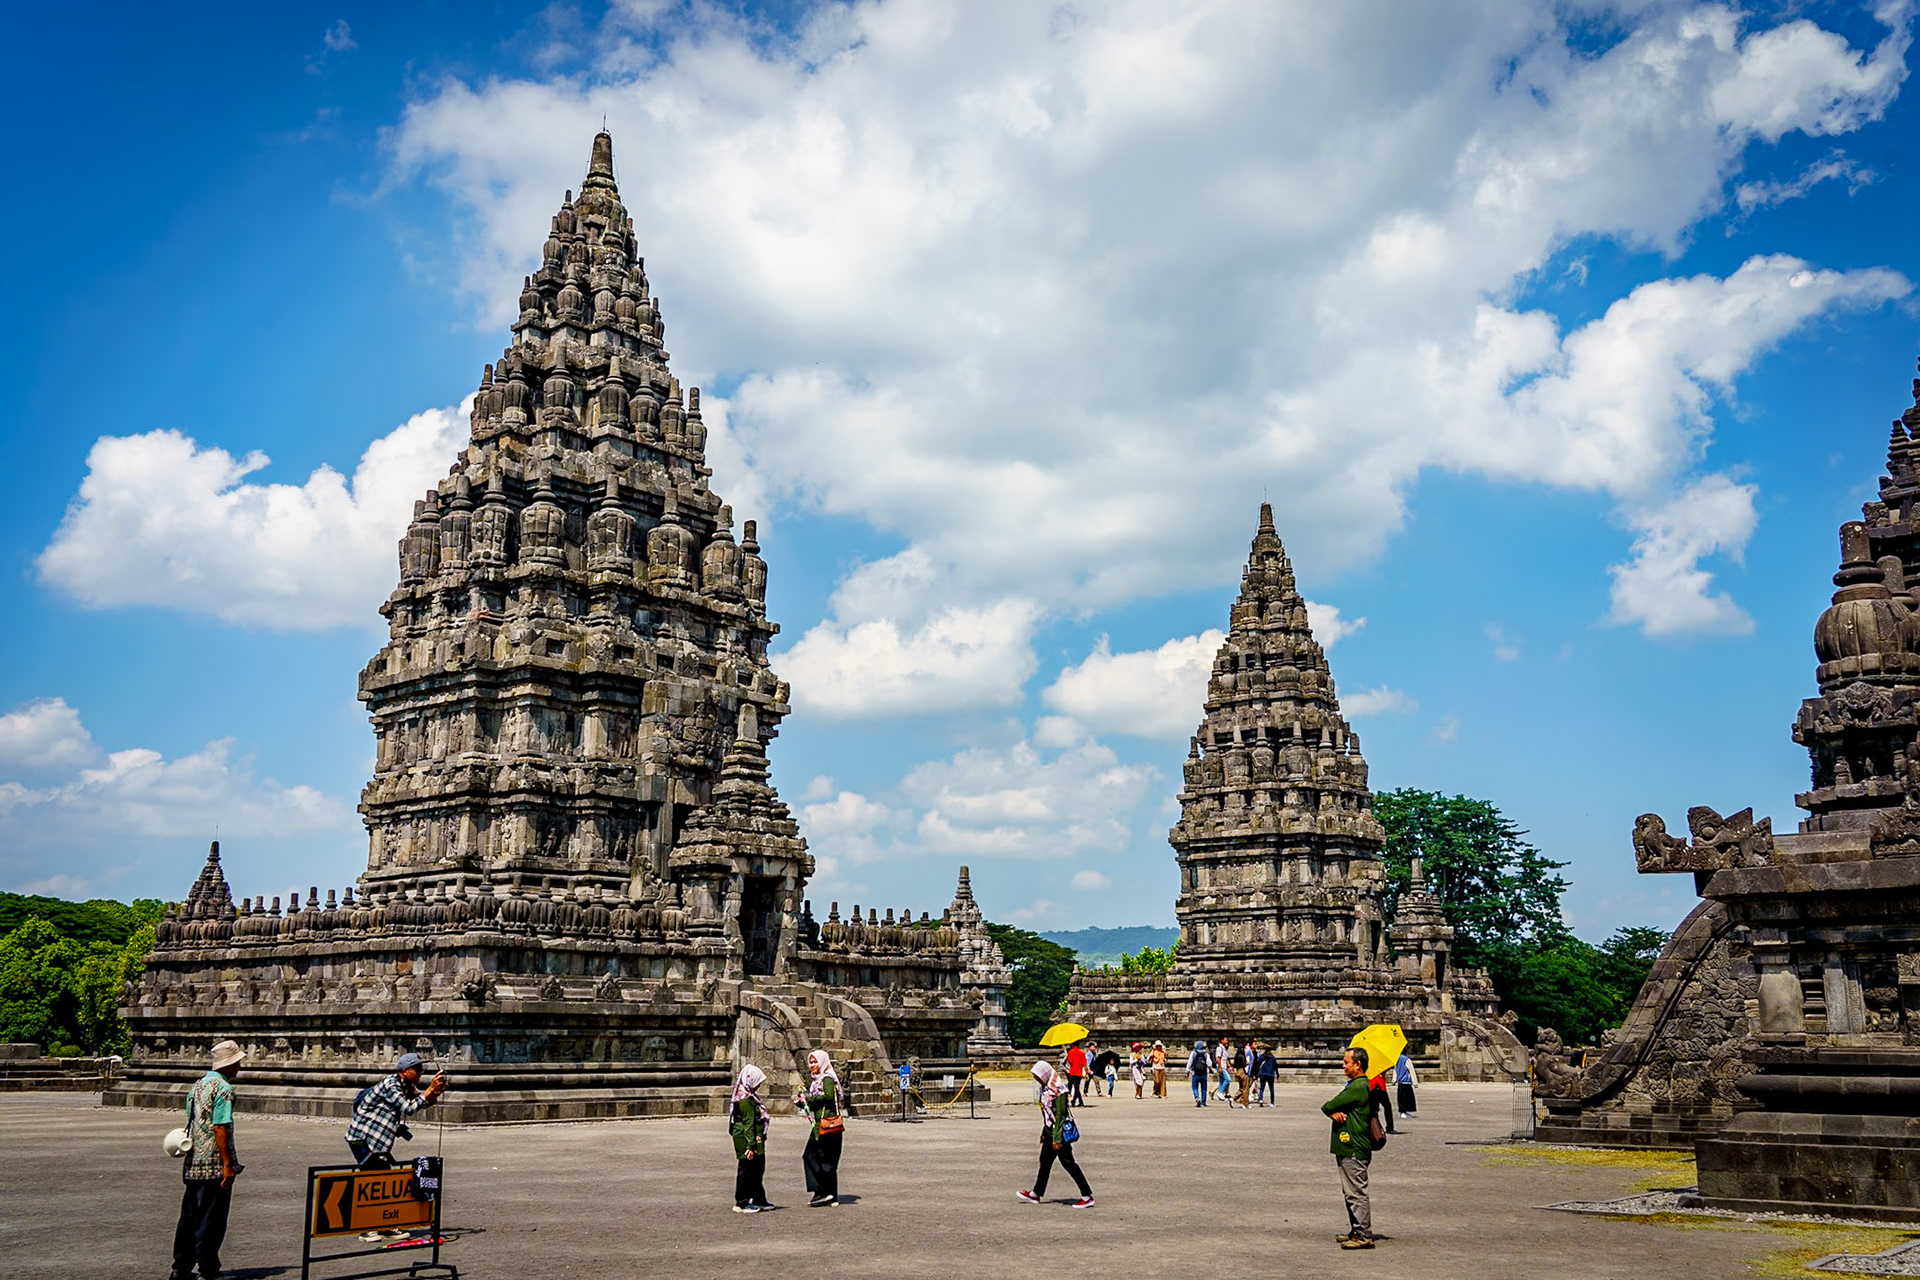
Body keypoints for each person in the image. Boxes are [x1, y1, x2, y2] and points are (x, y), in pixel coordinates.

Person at [170, 1039, 245, 1280]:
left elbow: (192, 1120)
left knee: (190, 1217)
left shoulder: (197, 1086)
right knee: (211, 1219)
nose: (239, 1068)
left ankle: (180, 1268)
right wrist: (227, 1165)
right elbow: (219, 1126)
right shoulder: (223, 1088)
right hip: (213, 1162)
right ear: (227, 1065)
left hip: (193, 1161)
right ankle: (208, 1269)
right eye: (236, 1063)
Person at [346, 1052, 447, 1169]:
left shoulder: (408, 1085)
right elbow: (409, 1108)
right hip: (363, 1139)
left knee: (377, 1176)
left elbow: (421, 1102)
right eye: (417, 1071)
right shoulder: (391, 1085)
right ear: (404, 1071)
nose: (420, 1074)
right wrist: (430, 1089)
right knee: (376, 1176)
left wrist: (435, 1092)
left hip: (376, 1140)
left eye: (421, 1071)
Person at [1016, 1062, 1094, 1208]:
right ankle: (1036, 1193)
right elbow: (1047, 1114)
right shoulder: (1046, 1089)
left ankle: (1087, 1195)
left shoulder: (1059, 1090)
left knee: (1068, 1163)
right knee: (1044, 1162)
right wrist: (1044, 1132)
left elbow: (1060, 1115)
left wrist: (1057, 1138)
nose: (1037, 1080)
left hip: (1059, 1134)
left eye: (1038, 1076)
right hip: (1050, 1131)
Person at [1323, 1046, 1377, 1249]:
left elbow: (1329, 1105)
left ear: (1358, 1065)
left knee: (1355, 1191)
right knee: (1350, 1191)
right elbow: (1334, 1108)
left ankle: (1363, 1234)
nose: (1343, 1065)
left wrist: (1332, 1110)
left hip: (1353, 1146)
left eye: (1347, 1062)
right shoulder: (1358, 1085)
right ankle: (1356, 1230)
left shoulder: (1357, 1087)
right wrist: (1334, 1112)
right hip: (1350, 1145)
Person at [795, 1049, 842, 1206]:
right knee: (815, 1157)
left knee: (821, 1158)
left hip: (826, 1124)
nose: (813, 1065)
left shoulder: (827, 1078)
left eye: (815, 1062)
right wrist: (803, 1101)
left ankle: (826, 1192)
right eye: (811, 1062)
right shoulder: (817, 1080)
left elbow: (829, 1097)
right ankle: (824, 1192)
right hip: (819, 1124)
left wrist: (810, 1099)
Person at [730, 1063, 775, 1212]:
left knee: (757, 1167)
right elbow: (748, 1123)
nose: (759, 1085)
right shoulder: (745, 1100)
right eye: (758, 1082)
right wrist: (750, 1146)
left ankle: (758, 1198)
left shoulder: (749, 1096)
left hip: (753, 1136)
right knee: (747, 1168)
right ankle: (741, 1202)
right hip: (747, 1137)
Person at [1185, 1039, 1210, 1106]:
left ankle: (1197, 1098)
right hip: (1203, 1073)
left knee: (1194, 1087)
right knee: (1204, 1088)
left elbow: (1190, 1063)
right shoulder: (1206, 1054)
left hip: (1195, 1073)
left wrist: (1187, 1071)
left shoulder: (1193, 1054)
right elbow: (1209, 1064)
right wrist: (1209, 1069)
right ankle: (1203, 1102)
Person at [1064, 1040, 1088, 1106]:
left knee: (1073, 1086)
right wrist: (1087, 1073)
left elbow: (1070, 1061)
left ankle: (1077, 1101)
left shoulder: (1070, 1052)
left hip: (1072, 1072)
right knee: (1077, 1087)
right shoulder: (1082, 1053)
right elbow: (1084, 1063)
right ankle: (1076, 1101)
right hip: (1079, 1072)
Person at [1395, 1051, 1418, 1119]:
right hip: (1406, 1082)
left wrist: (1394, 1080)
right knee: (1407, 1098)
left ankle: (1401, 1111)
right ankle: (1404, 1112)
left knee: (1401, 1098)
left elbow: (1395, 1070)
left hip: (1400, 1082)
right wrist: (1415, 1083)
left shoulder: (1397, 1059)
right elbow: (1411, 1070)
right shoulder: (1406, 1060)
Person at [1254, 1042, 1278, 1107]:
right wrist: (1277, 1074)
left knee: (1262, 1088)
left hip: (1263, 1073)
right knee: (1271, 1088)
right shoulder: (1272, 1057)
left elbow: (1258, 1062)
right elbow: (1275, 1066)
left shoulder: (1262, 1056)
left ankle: (1261, 1099)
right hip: (1270, 1074)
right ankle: (1272, 1102)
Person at [1233, 1040, 1254, 1108]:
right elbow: (1244, 1064)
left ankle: (1241, 1100)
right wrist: (1247, 1062)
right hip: (1243, 1071)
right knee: (1245, 1088)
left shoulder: (1236, 1056)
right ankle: (1244, 1102)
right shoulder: (1242, 1056)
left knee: (1241, 1087)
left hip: (1238, 1071)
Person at [1214, 1037, 1233, 1102]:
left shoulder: (1224, 1048)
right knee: (1228, 1079)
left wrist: (1229, 1066)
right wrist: (1220, 1067)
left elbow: (1226, 1058)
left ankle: (1220, 1094)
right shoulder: (1219, 1048)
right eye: (1226, 1040)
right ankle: (1220, 1092)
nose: (1227, 1041)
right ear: (1222, 1040)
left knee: (1222, 1081)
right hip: (1221, 1066)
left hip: (1224, 1066)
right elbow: (1218, 1059)